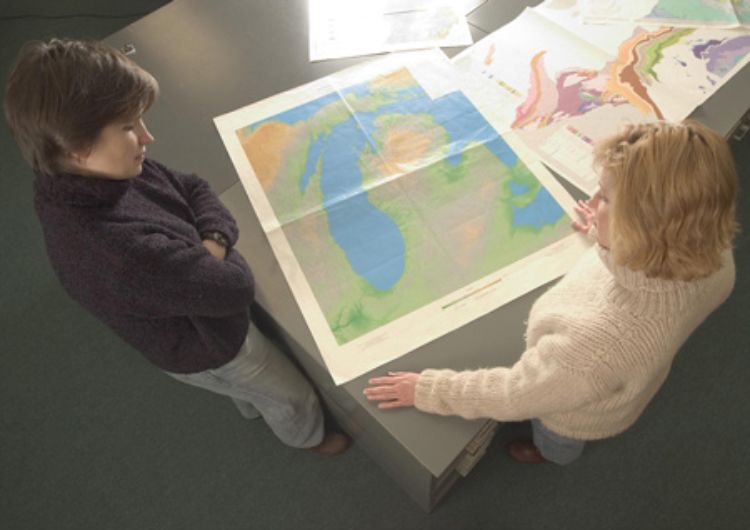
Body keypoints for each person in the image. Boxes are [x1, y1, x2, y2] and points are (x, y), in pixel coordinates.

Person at [4, 38, 348, 456]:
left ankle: (250, 405)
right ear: (77, 147)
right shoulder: (120, 251)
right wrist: (211, 248)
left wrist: (209, 244)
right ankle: (309, 439)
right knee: (290, 395)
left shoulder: (84, 175)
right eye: (129, 127)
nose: (148, 136)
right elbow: (234, 286)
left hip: (190, 307)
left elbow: (192, 186)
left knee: (249, 388)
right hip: (210, 344)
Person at [364, 120, 737, 465]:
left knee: (557, 440)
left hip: (573, 411)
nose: (590, 202)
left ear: (641, 227)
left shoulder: (595, 347)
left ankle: (551, 455)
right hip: (624, 374)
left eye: (605, 198)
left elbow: (513, 395)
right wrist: (607, 235)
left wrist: (427, 389)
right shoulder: (715, 252)